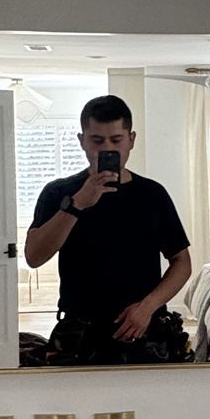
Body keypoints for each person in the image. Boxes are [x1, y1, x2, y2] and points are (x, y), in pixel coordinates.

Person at [24, 95, 193, 364]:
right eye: (97, 140)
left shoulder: (153, 195)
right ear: (82, 141)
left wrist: (147, 307)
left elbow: (182, 262)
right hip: (79, 332)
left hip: (143, 328)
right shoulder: (59, 193)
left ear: (131, 140)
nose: (106, 149)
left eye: (116, 140)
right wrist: (78, 204)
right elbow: (34, 257)